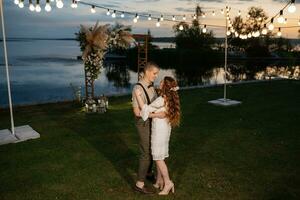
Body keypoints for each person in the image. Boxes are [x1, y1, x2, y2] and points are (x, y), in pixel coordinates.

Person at [134, 76, 181, 195]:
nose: (159, 83)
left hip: (159, 131)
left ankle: (168, 182)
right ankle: (159, 180)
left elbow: (145, 109)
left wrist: (138, 96)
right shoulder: (170, 98)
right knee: (160, 155)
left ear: (165, 86)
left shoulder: (161, 99)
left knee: (158, 158)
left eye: (161, 83)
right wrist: (158, 115)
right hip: (165, 130)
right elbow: (161, 113)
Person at [132, 62, 165, 194]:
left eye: (157, 73)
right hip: (143, 124)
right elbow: (137, 113)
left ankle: (148, 173)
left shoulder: (151, 86)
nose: (156, 76)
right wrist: (157, 115)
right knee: (146, 153)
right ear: (146, 72)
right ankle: (139, 185)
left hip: (152, 122)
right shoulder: (137, 88)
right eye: (154, 73)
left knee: (152, 149)